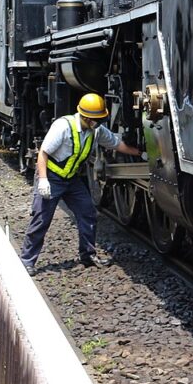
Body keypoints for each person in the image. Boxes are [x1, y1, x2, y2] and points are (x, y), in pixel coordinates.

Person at [19, 93, 143, 273]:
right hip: (52, 178)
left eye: (99, 120)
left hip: (71, 180)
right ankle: (26, 261)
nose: (97, 123)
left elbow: (116, 144)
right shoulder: (63, 126)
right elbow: (43, 154)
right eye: (95, 120)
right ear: (85, 117)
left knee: (88, 212)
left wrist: (139, 153)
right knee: (41, 220)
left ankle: (88, 255)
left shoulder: (97, 131)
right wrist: (43, 180)